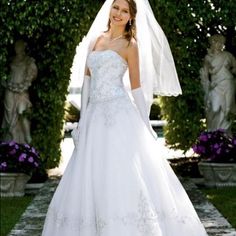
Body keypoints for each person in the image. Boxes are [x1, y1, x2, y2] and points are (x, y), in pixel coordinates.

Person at [42, 0, 208, 235]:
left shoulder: (131, 45)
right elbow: (87, 82)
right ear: (109, 10)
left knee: (123, 170)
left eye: (124, 10)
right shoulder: (96, 40)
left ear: (131, 17)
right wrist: (82, 120)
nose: (118, 13)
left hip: (120, 114)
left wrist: (145, 122)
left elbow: (137, 88)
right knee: (90, 172)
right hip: (95, 117)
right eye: (115, 7)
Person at [1, 40, 37, 144]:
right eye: (16, 46)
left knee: (22, 111)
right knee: (8, 114)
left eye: (19, 46)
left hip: (22, 92)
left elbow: (32, 76)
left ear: (23, 47)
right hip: (10, 90)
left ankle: (27, 138)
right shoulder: (11, 60)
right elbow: (6, 74)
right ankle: (11, 141)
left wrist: (26, 81)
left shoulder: (28, 61)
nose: (17, 48)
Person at [200, 34, 236, 134]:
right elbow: (205, 74)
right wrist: (206, 86)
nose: (220, 45)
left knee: (227, 110)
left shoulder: (228, 55)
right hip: (216, 85)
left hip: (228, 83)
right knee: (214, 108)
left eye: (221, 43)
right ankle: (213, 134)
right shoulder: (208, 58)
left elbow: (235, 67)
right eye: (217, 42)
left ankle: (225, 136)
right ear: (212, 43)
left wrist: (232, 72)